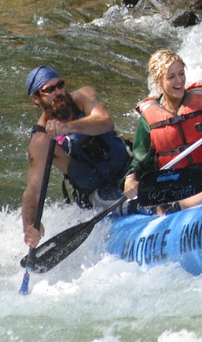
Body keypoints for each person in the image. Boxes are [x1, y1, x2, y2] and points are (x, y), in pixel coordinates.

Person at [22, 66, 131, 248]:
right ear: (36, 98)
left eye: (60, 85)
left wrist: (69, 127)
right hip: (98, 194)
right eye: (49, 90)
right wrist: (29, 226)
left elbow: (105, 122)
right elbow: (33, 189)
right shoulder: (41, 142)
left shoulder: (84, 97)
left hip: (129, 169)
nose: (58, 92)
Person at [123, 49, 202, 215]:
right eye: (171, 77)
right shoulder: (148, 118)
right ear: (158, 81)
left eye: (181, 74)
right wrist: (130, 178)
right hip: (174, 189)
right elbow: (140, 159)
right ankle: (171, 209)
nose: (179, 81)